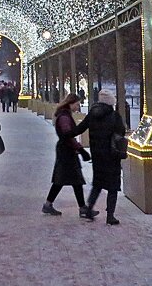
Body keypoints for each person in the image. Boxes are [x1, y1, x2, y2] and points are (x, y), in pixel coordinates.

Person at [42, 93, 95, 219]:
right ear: (71, 103)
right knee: (69, 179)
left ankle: (50, 205)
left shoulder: (64, 114)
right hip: (67, 151)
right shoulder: (64, 117)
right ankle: (81, 208)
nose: (78, 106)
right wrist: (81, 150)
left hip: (66, 150)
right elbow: (68, 135)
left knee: (67, 180)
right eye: (77, 104)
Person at [80, 88, 127, 225]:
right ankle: (110, 216)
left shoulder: (92, 114)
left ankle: (89, 209)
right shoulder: (114, 116)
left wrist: (67, 135)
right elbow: (121, 133)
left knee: (98, 184)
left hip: (97, 155)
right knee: (113, 187)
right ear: (111, 102)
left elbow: (81, 128)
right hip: (112, 156)